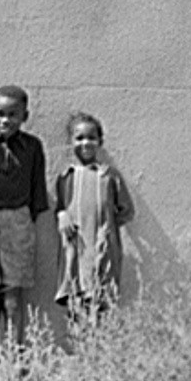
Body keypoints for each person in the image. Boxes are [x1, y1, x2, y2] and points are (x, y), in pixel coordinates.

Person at [0, 85, 49, 347]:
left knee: (12, 297)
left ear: (25, 116)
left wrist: (21, 222)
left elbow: (37, 192)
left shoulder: (32, 147)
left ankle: (14, 353)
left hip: (18, 223)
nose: (5, 120)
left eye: (12, 114)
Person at [54, 112, 135, 322]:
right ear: (70, 141)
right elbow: (60, 205)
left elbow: (126, 210)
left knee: (100, 300)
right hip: (75, 249)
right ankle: (79, 348)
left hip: (101, 247)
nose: (85, 143)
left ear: (100, 141)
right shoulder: (66, 177)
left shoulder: (109, 176)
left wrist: (107, 226)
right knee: (76, 298)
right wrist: (62, 215)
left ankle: (97, 349)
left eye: (91, 138)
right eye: (79, 138)